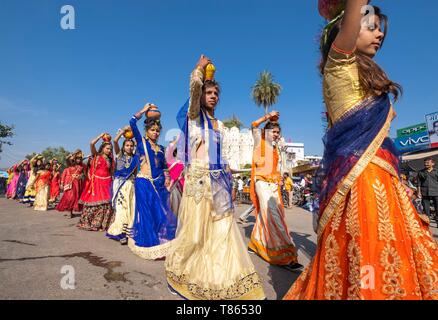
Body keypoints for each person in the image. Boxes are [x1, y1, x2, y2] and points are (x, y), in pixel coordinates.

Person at [284, 1, 438, 300]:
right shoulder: (338, 65)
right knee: (369, 256)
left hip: (383, 179)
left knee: (391, 255)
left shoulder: (365, 74)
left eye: (381, 30)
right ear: (347, 29)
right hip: (361, 181)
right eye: (371, 26)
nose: (379, 34)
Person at [165, 55, 265, 300]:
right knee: (195, 233)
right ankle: (181, 269)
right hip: (198, 180)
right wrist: (199, 70)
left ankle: (228, 277)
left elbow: (220, 155)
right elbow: (194, 90)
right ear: (201, 96)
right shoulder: (194, 118)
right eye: (209, 93)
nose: (213, 97)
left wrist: (228, 178)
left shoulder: (219, 124)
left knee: (223, 230)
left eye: (215, 94)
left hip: (219, 180)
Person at [248, 111, 300, 270]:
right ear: (267, 131)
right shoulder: (260, 140)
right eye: (274, 131)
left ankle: (255, 243)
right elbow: (253, 125)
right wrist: (268, 116)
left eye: (278, 132)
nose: (276, 134)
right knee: (272, 215)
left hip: (273, 184)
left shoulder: (276, 149)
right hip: (261, 183)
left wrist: (280, 177)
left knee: (270, 215)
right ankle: (285, 256)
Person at [127, 104, 177, 260]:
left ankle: (161, 241)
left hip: (158, 184)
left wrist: (168, 180)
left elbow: (164, 167)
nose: (155, 133)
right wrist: (143, 110)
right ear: (146, 131)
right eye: (152, 130)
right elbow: (132, 122)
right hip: (143, 183)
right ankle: (149, 245)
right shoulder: (141, 142)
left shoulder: (161, 149)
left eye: (157, 130)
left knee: (160, 212)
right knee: (147, 213)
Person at [106, 126, 139, 245]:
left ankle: (128, 232)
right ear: (123, 147)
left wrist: (134, 136)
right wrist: (123, 132)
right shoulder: (119, 156)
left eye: (131, 146)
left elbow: (135, 173)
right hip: (120, 184)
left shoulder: (135, 158)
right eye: (127, 145)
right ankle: (121, 233)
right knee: (121, 209)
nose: (129, 147)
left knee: (131, 208)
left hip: (131, 185)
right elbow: (115, 141)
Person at [77, 134, 115, 231]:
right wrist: (100, 136)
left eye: (110, 149)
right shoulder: (96, 156)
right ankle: (91, 223)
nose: (109, 150)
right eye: (107, 148)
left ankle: (103, 224)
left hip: (107, 182)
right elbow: (91, 143)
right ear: (102, 148)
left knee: (107, 204)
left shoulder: (111, 160)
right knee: (95, 202)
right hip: (97, 182)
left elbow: (111, 171)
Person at [56, 151, 86, 218]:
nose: (78, 160)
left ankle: (71, 212)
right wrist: (73, 154)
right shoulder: (70, 164)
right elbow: (67, 158)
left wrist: (81, 176)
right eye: (77, 158)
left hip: (78, 184)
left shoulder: (83, 166)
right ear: (74, 159)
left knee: (76, 198)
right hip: (70, 182)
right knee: (70, 197)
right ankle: (70, 212)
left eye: (80, 159)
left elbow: (84, 174)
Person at [166, 138, 185, 216]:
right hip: (170, 186)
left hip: (180, 188)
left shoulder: (184, 164)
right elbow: (169, 149)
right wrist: (176, 140)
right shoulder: (170, 161)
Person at [417, 158, 438, 223]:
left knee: (437, 208)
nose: (426, 164)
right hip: (425, 192)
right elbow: (418, 183)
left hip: (436, 192)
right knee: (426, 209)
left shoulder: (436, 171)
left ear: (432, 163)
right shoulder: (420, 172)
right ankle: (427, 222)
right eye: (425, 162)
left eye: (428, 162)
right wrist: (418, 192)